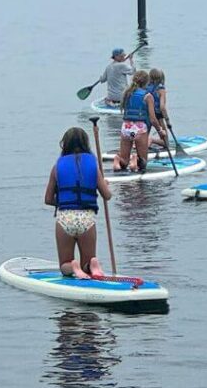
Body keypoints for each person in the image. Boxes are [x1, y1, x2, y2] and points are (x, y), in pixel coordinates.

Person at [44, 127, 112, 279]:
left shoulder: (57, 167)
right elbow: (107, 196)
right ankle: (91, 264)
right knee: (87, 265)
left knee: (64, 266)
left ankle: (73, 267)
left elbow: (48, 199)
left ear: (65, 144)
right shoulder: (93, 165)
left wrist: (63, 201)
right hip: (87, 218)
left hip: (65, 219)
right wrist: (105, 185)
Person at [114, 71, 156, 172]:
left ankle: (117, 160)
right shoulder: (148, 96)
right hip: (139, 129)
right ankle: (136, 160)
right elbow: (153, 119)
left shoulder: (127, 93)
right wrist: (160, 130)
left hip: (127, 128)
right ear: (146, 82)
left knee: (124, 161)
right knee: (143, 162)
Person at [144, 68, 171, 150]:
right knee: (166, 143)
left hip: (147, 114)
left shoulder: (146, 87)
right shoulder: (161, 89)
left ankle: (143, 143)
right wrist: (167, 120)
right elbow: (162, 107)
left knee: (143, 137)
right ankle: (152, 140)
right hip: (158, 116)